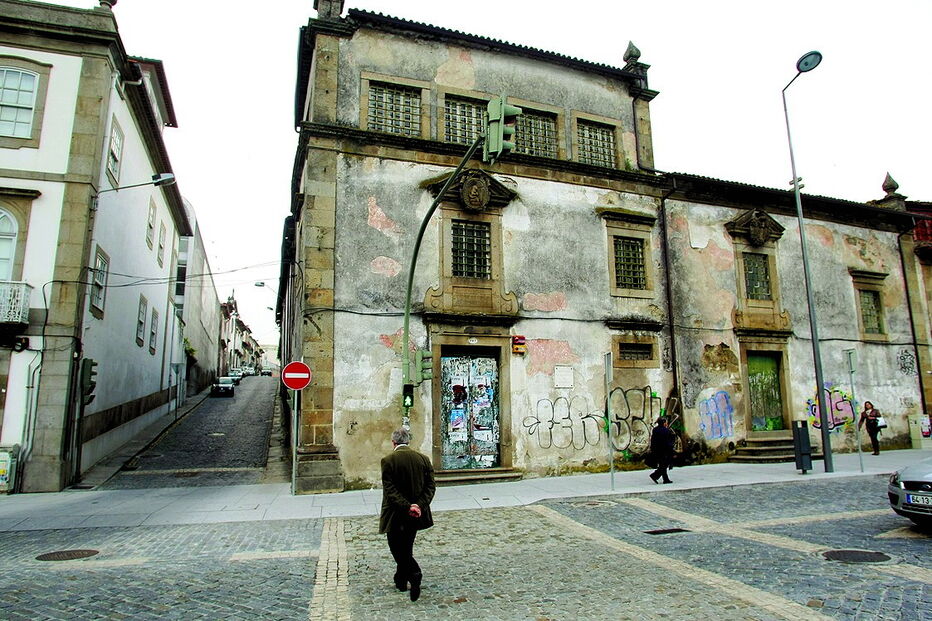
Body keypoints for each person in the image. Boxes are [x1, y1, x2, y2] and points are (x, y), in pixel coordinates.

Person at [379, 427, 435, 602]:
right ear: (408, 441)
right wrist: (418, 505)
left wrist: (407, 506)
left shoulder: (388, 460)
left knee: (396, 547)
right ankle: (401, 580)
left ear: (393, 442)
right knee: (406, 546)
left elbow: (390, 490)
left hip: (395, 513)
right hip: (415, 514)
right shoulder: (423, 459)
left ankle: (414, 573)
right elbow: (430, 487)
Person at [649, 416, 676, 484]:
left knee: (662, 465)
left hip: (657, 450)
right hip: (665, 451)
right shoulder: (666, 430)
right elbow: (669, 441)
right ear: (664, 423)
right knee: (664, 465)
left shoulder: (655, 430)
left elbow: (653, 440)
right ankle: (655, 475)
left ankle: (665, 479)